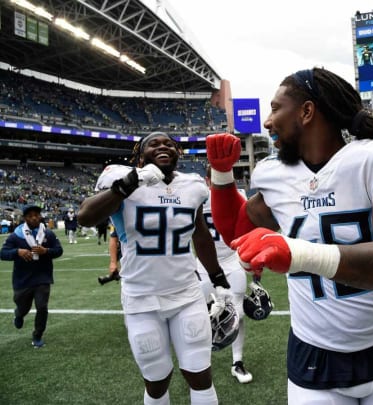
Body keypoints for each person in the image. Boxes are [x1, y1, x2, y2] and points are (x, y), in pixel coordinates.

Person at [205, 67, 373, 404]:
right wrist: (221, 175)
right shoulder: (277, 175)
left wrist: (299, 254)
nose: (267, 122)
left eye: (276, 109)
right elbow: (235, 231)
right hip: (313, 357)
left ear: (306, 112)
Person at [78, 132, 231, 405]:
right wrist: (127, 185)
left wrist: (217, 277)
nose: (163, 146)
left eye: (169, 144)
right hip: (141, 299)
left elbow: (200, 234)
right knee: (157, 381)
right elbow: (85, 217)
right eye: (154, 144)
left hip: (186, 293)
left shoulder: (192, 186)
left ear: (178, 153)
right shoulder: (121, 178)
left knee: (200, 376)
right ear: (139, 155)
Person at [196, 168, 252, 384]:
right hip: (203, 263)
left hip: (230, 260)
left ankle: (237, 362)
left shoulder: (237, 196)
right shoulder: (196, 196)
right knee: (199, 315)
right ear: (208, 180)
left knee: (238, 313)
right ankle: (200, 361)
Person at [1, 204, 63, 348]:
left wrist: (46, 251)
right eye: (30, 216)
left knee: (42, 307)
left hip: (43, 277)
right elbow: (2, 253)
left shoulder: (47, 233)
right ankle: (19, 314)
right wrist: (17, 252)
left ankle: (37, 335)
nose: (34, 218)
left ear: (40, 216)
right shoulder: (16, 235)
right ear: (25, 218)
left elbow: (59, 250)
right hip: (22, 279)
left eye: (37, 215)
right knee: (23, 307)